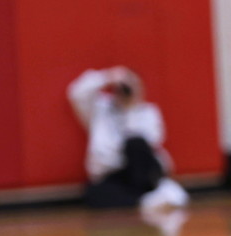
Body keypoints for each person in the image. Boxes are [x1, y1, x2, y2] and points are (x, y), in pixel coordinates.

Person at [67, 66, 188, 211]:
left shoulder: (148, 112)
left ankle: (148, 196)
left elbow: (149, 144)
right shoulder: (100, 109)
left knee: (135, 143)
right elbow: (77, 93)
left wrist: (130, 108)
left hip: (141, 172)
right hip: (113, 174)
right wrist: (107, 77)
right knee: (94, 194)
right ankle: (149, 199)